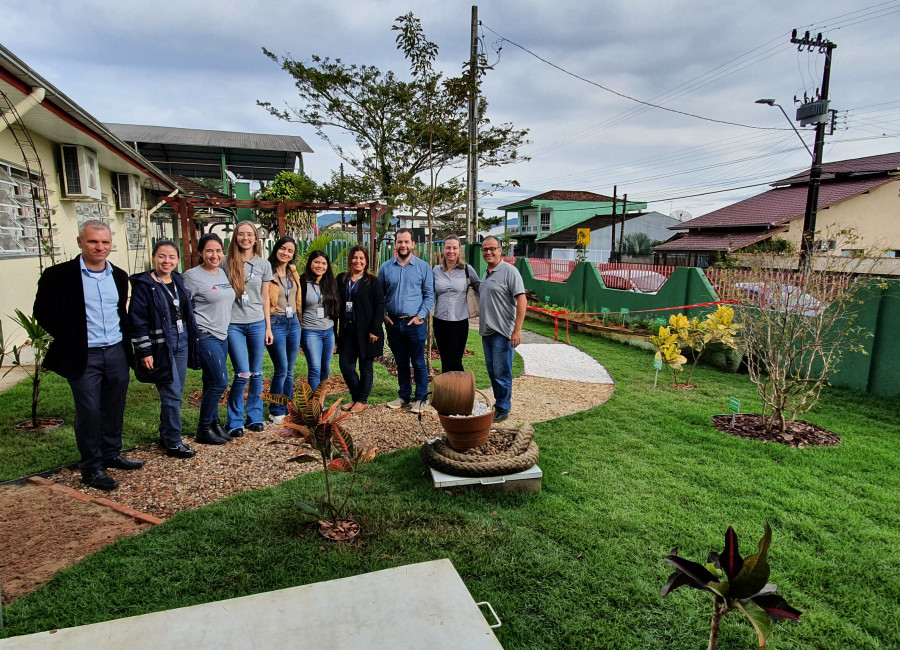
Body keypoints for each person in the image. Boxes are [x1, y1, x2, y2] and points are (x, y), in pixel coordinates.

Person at [33, 220, 143, 490]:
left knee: (114, 407)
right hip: (84, 355)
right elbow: (43, 312)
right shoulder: (58, 275)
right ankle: (91, 467)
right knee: (89, 411)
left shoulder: (118, 275)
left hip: (116, 350)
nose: (100, 247)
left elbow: (120, 312)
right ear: (81, 242)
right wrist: (70, 337)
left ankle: (110, 453)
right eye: (93, 241)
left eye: (105, 242)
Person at [129, 240, 200, 458]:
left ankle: (166, 433)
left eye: (171, 257)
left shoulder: (177, 280)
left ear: (177, 260)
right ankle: (173, 441)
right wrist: (144, 351)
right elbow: (137, 320)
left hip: (181, 341)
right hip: (161, 345)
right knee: (171, 393)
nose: (166, 261)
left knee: (175, 392)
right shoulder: (144, 285)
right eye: (162, 256)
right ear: (154, 258)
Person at [183, 233, 235, 445]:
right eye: (209, 251)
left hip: (222, 334)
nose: (214, 255)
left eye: (218, 251)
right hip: (205, 335)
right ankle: (203, 427)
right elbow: (183, 307)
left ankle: (214, 424)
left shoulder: (221, 273)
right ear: (200, 253)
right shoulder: (191, 276)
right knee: (220, 382)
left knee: (210, 381)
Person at [224, 222, 273, 437]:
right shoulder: (226, 263)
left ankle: (254, 416)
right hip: (233, 323)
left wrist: (268, 327)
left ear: (256, 239)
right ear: (236, 237)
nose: (245, 238)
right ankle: (234, 420)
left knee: (257, 372)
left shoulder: (263, 265)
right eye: (241, 234)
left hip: (257, 322)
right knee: (242, 373)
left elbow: (265, 298)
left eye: (250, 234)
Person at [378, 228, 434, 414]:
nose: (403, 245)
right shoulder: (385, 268)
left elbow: (429, 295)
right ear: (395, 244)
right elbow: (379, 295)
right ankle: (404, 396)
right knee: (401, 362)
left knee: (418, 362)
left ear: (413, 244)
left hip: (414, 324)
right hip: (393, 323)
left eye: (406, 242)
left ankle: (421, 399)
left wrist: (420, 316)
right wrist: (384, 314)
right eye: (399, 242)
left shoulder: (423, 267)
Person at [478, 235, 526, 423]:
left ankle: (503, 408)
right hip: (487, 332)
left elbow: (521, 300)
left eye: (492, 249)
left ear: (500, 250)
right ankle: (499, 405)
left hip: (502, 333)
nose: (488, 252)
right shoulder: (487, 273)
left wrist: (517, 330)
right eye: (485, 249)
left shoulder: (509, 272)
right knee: (492, 372)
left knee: (502, 373)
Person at [336, 245, 384, 413]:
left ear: (366, 262)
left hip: (367, 331)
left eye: (361, 258)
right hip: (348, 331)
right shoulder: (341, 279)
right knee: (346, 366)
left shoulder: (372, 282)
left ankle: (362, 400)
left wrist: (375, 330)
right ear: (350, 260)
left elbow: (379, 306)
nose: (358, 261)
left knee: (365, 366)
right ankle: (356, 396)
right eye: (355, 258)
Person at [266, 236, 302, 424]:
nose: (286, 253)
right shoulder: (267, 271)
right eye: (283, 249)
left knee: (290, 369)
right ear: (276, 249)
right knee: (281, 368)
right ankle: (275, 409)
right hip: (276, 322)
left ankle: (288, 407)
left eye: (290, 250)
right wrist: (267, 326)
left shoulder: (292, 272)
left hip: (293, 323)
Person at [432, 235, 480, 373]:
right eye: (448, 247)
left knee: (455, 359)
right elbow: (429, 292)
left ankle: (461, 390)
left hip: (459, 321)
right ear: (443, 249)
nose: (451, 251)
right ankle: (448, 391)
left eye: (454, 248)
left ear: (459, 250)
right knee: (445, 359)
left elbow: (481, 288)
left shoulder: (467, 270)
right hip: (440, 321)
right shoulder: (436, 270)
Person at [299, 250, 340, 391]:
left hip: (328, 331)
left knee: (325, 369)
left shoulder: (330, 283)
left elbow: (334, 311)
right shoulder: (302, 282)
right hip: (310, 331)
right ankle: (313, 405)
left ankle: (319, 400)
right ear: (310, 263)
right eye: (316, 262)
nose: (320, 266)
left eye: (323, 263)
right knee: (315, 368)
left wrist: (335, 335)